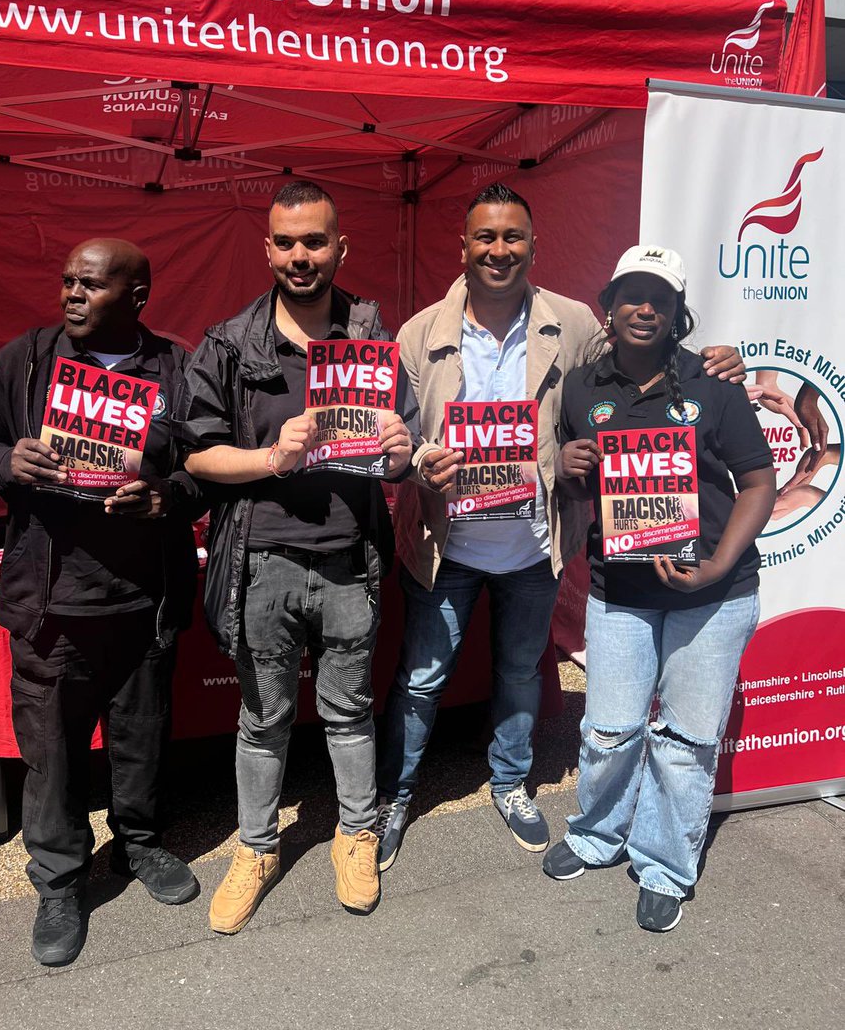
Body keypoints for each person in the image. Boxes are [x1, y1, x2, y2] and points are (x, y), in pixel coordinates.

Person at [374, 184, 747, 871]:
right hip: (445, 542)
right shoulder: (418, 332)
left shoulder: (574, 322)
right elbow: (396, 437)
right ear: (463, 247)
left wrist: (718, 362)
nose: (498, 249)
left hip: (534, 543)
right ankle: (394, 798)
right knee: (422, 679)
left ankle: (511, 783)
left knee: (520, 671)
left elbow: (645, 359)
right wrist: (422, 464)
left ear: (533, 246)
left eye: (513, 237)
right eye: (485, 237)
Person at [177, 180, 418, 934]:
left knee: (348, 713)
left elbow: (402, 450)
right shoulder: (229, 343)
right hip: (264, 564)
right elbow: (198, 460)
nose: (300, 256)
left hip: (350, 561)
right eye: (286, 242)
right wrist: (270, 459)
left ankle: (356, 833)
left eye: (315, 241)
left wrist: (402, 451)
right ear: (268, 249)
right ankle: (256, 848)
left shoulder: (375, 338)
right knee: (263, 718)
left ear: (340, 247)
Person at [0, 238, 203, 967]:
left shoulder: (178, 368)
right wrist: (10, 461)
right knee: (53, 757)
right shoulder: (25, 360)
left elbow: (207, 468)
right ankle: (60, 880)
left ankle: (139, 845)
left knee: (141, 737)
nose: (71, 294)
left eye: (91, 285)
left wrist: (169, 496)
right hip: (52, 606)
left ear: (137, 297)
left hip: (142, 601)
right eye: (67, 281)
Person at [541, 244, 775, 933]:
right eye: (632, 295)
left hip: (714, 595)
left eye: (661, 299)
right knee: (609, 728)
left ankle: (665, 863)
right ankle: (597, 833)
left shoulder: (713, 382)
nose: (645, 309)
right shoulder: (583, 386)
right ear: (608, 305)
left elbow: (758, 484)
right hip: (622, 589)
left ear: (677, 313)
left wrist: (716, 565)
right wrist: (569, 461)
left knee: (686, 739)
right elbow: (579, 477)